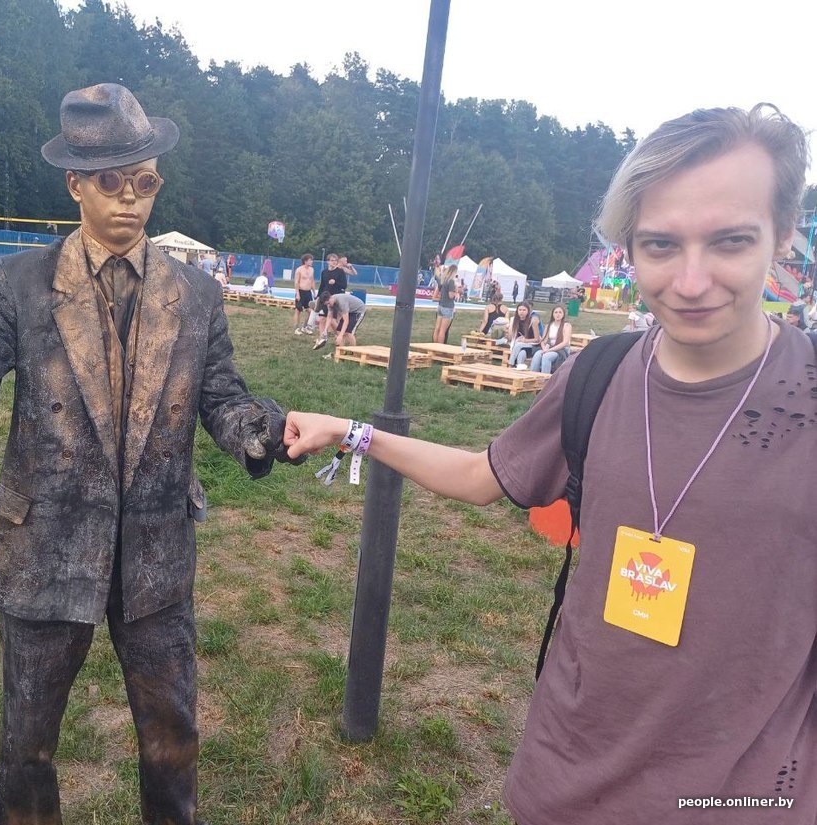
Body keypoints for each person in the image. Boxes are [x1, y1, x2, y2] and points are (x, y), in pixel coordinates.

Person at [284, 103, 816, 824]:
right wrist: (352, 432)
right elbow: (482, 475)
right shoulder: (597, 375)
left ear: (781, 238)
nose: (691, 281)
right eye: (661, 245)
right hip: (564, 782)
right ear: (629, 248)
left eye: (730, 241)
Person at [0, 83, 298, 825]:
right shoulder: (20, 285)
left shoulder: (196, 296)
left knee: (172, 743)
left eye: (146, 181)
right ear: (74, 182)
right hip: (44, 551)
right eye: (111, 181)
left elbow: (221, 398)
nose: (131, 199)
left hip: (157, 558)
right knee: (26, 751)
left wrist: (258, 428)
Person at [314, 253, 348, 344]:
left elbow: (344, 286)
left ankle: (340, 336)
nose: (334, 262)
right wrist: (318, 296)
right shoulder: (324, 272)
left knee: (333, 320)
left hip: (335, 298)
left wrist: (335, 282)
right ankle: (322, 338)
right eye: (332, 260)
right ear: (328, 261)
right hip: (325, 298)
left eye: (336, 260)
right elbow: (322, 285)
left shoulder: (340, 272)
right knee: (322, 319)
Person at [530, 305, 572, 373]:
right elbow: (543, 340)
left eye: (560, 312)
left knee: (546, 356)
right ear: (553, 314)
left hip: (561, 350)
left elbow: (565, 343)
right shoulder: (549, 325)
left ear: (563, 314)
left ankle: (545, 377)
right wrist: (544, 349)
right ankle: (533, 374)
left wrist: (549, 350)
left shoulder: (566, 325)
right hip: (549, 348)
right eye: (556, 312)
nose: (558, 314)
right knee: (537, 354)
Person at [506, 301, 542, 368]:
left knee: (518, 345)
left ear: (528, 311)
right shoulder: (515, 320)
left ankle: (510, 365)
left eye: (524, 310)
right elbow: (511, 337)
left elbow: (537, 339)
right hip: (523, 347)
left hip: (533, 345)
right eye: (520, 310)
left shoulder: (533, 320)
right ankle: (519, 369)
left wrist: (525, 340)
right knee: (521, 354)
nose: (521, 312)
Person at [431, 263, 458, 344]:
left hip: (441, 306)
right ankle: (440, 347)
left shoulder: (442, 280)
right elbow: (450, 296)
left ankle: (435, 345)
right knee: (443, 330)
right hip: (448, 307)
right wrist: (456, 291)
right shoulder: (451, 281)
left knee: (437, 328)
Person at [293, 253, 316, 334]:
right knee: (298, 310)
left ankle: (305, 327)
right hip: (300, 291)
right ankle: (296, 328)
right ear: (305, 261)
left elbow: (312, 281)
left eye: (312, 260)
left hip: (308, 292)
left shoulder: (312, 270)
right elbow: (296, 282)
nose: (311, 262)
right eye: (310, 260)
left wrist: (314, 292)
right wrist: (297, 293)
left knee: (310, 311)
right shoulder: (299, 270)